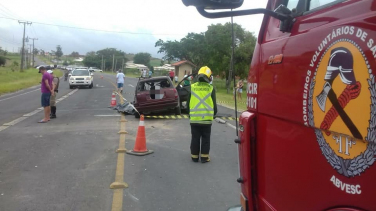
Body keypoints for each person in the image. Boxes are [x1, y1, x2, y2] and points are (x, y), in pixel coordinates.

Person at [187, 66, 217, 163]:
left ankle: (194, 157)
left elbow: (187, 104)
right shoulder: (211, 88)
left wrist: (190, 114)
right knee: (206, 138)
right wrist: (214, 114)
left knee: (195, 137)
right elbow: (214, 106)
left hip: (194, 119)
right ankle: (204, 157)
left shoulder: (192, 87)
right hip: (207, 119)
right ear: (209, 77)